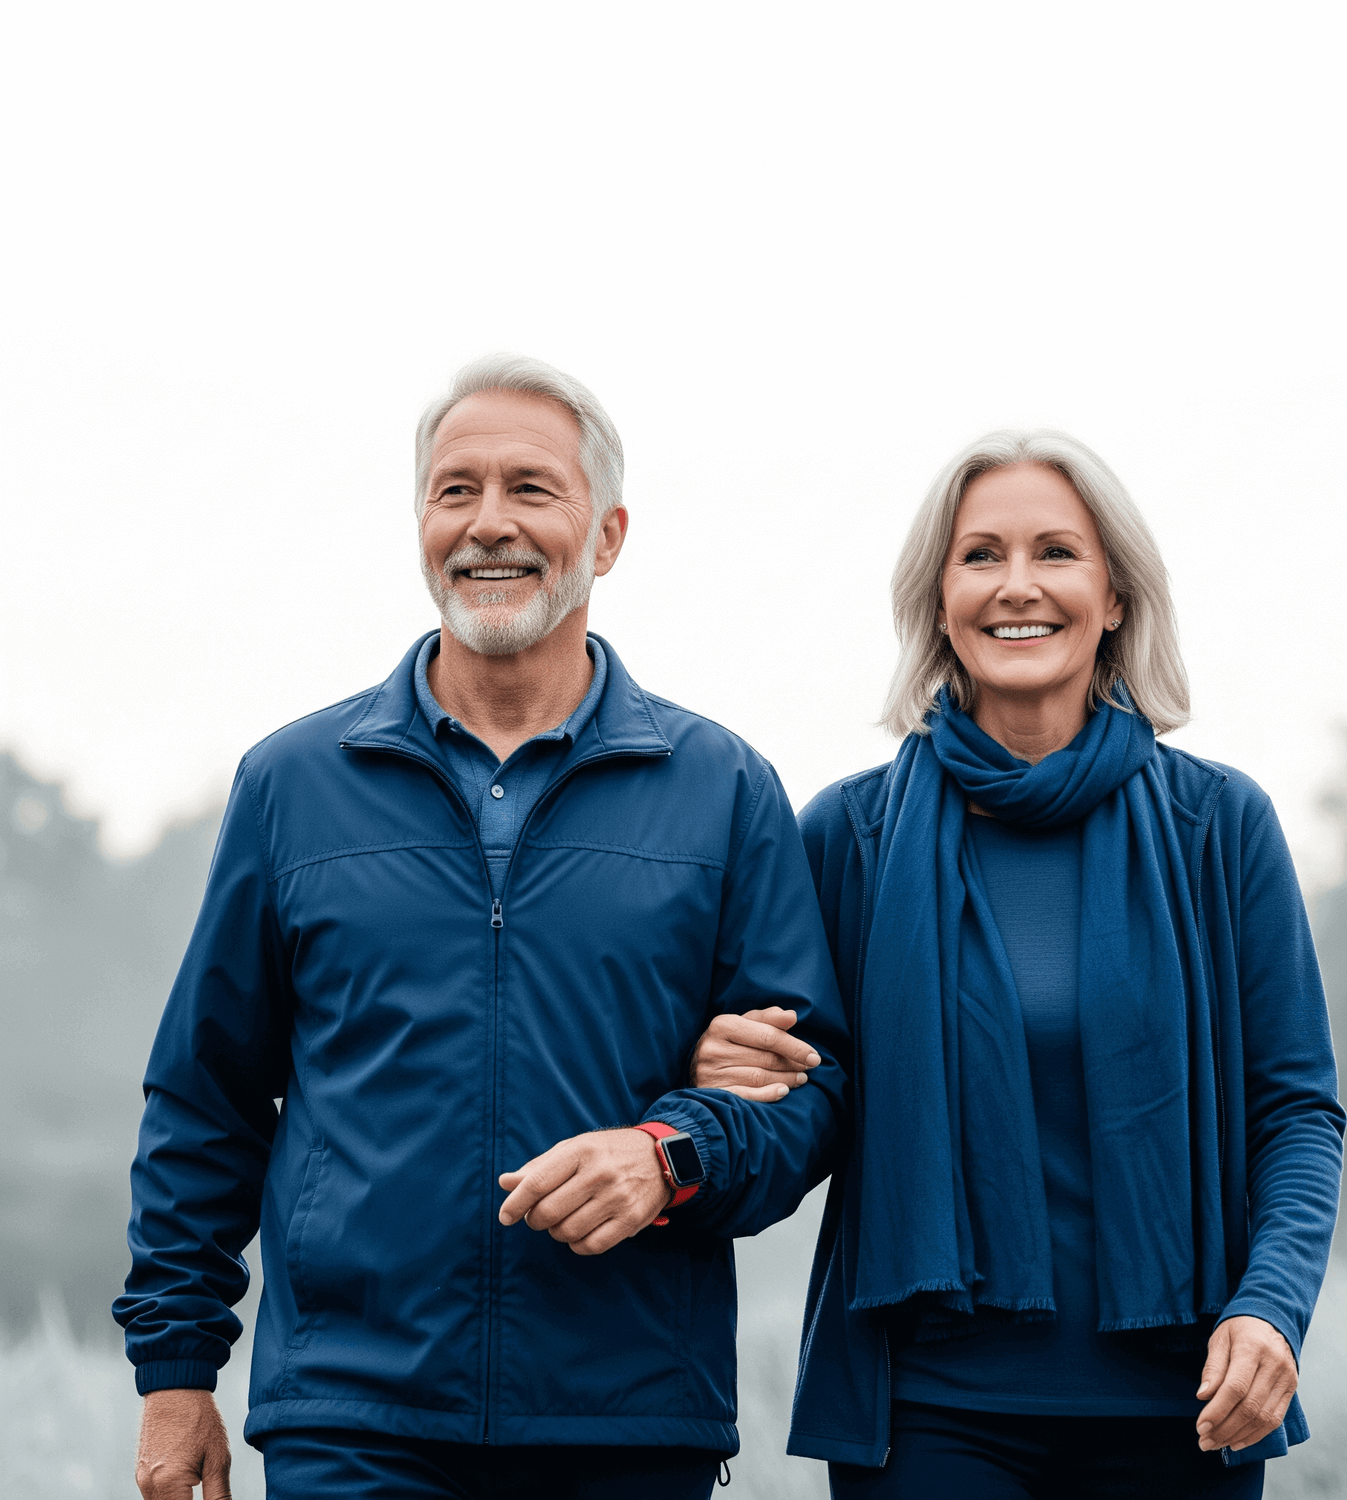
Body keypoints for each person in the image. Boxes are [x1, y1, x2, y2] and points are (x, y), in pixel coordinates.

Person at [114, 353, 848, 1500]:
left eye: (530, 488)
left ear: (607, 536)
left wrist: (672, 1157)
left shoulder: (724, 789)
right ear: (421, 525)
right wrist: (175, 1372)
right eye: (455, 490)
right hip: (352, 1421)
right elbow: (206, 1096)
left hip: (627, 1422)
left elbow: (809, 1097)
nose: (487, 523)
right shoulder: (292, 785)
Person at [692, 431, 1345, 1497]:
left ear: (1116, 596)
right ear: (939, 599)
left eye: (1057, 552)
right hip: (929, 1418)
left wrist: (1271, 1308)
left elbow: (1297, 1114)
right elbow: (800, 1097)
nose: (1018, 586)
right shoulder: (849, 839)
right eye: (981, 556)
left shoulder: (1220, 828)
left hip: (1182, 1412)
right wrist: (727, 1078)